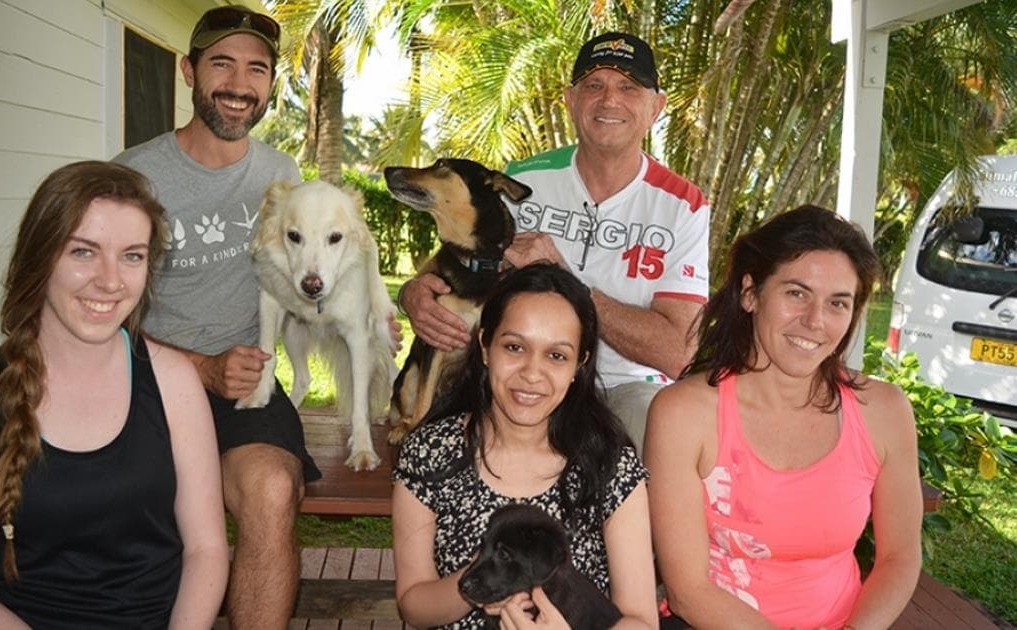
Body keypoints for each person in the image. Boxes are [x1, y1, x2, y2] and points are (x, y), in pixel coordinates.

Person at [112, 6, 322, 627]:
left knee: (272, 490)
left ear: (270, 84)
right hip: (142, 379)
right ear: (189, 71)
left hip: (241, 383)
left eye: (256, 68)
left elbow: (291, 281)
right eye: (222, 63)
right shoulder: (134, 177)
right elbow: (102, 311)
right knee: (124, 506)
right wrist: (198, 367)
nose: (239, 83)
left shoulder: (280, 173)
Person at [400, 32, 710, 452]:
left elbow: (678, 353)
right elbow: (453, 264)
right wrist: (414, 294)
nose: (609, 100)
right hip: (525, 379)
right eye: (594, 86)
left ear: (657, 106)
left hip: (627, 385)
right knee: (470, 439)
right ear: (570, 99)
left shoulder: (682, 205)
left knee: (660, 435)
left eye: (628, 88)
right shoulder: (524, 181)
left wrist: (567, 281)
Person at [645, 205, 923, 629]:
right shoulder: (684, 414)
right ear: (750, 292)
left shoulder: (883, 412)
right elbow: (689, 591)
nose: (815, 321)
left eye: (838, 303)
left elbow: (899, 556)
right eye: (796, 293)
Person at [0, 161, 228, 628]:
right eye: (83, 252)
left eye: (132, 256)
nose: (111, 280)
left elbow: (206, 551)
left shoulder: (173, 382)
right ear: (40, 257)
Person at [392, 263, 658, 629]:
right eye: (515, 347)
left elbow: (641, 620)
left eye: (556, 355)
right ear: (485, 346)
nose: (532, 373)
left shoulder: (609, 463)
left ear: (579, 365)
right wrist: (485, 580)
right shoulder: (430, 452)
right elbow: (413, 606)